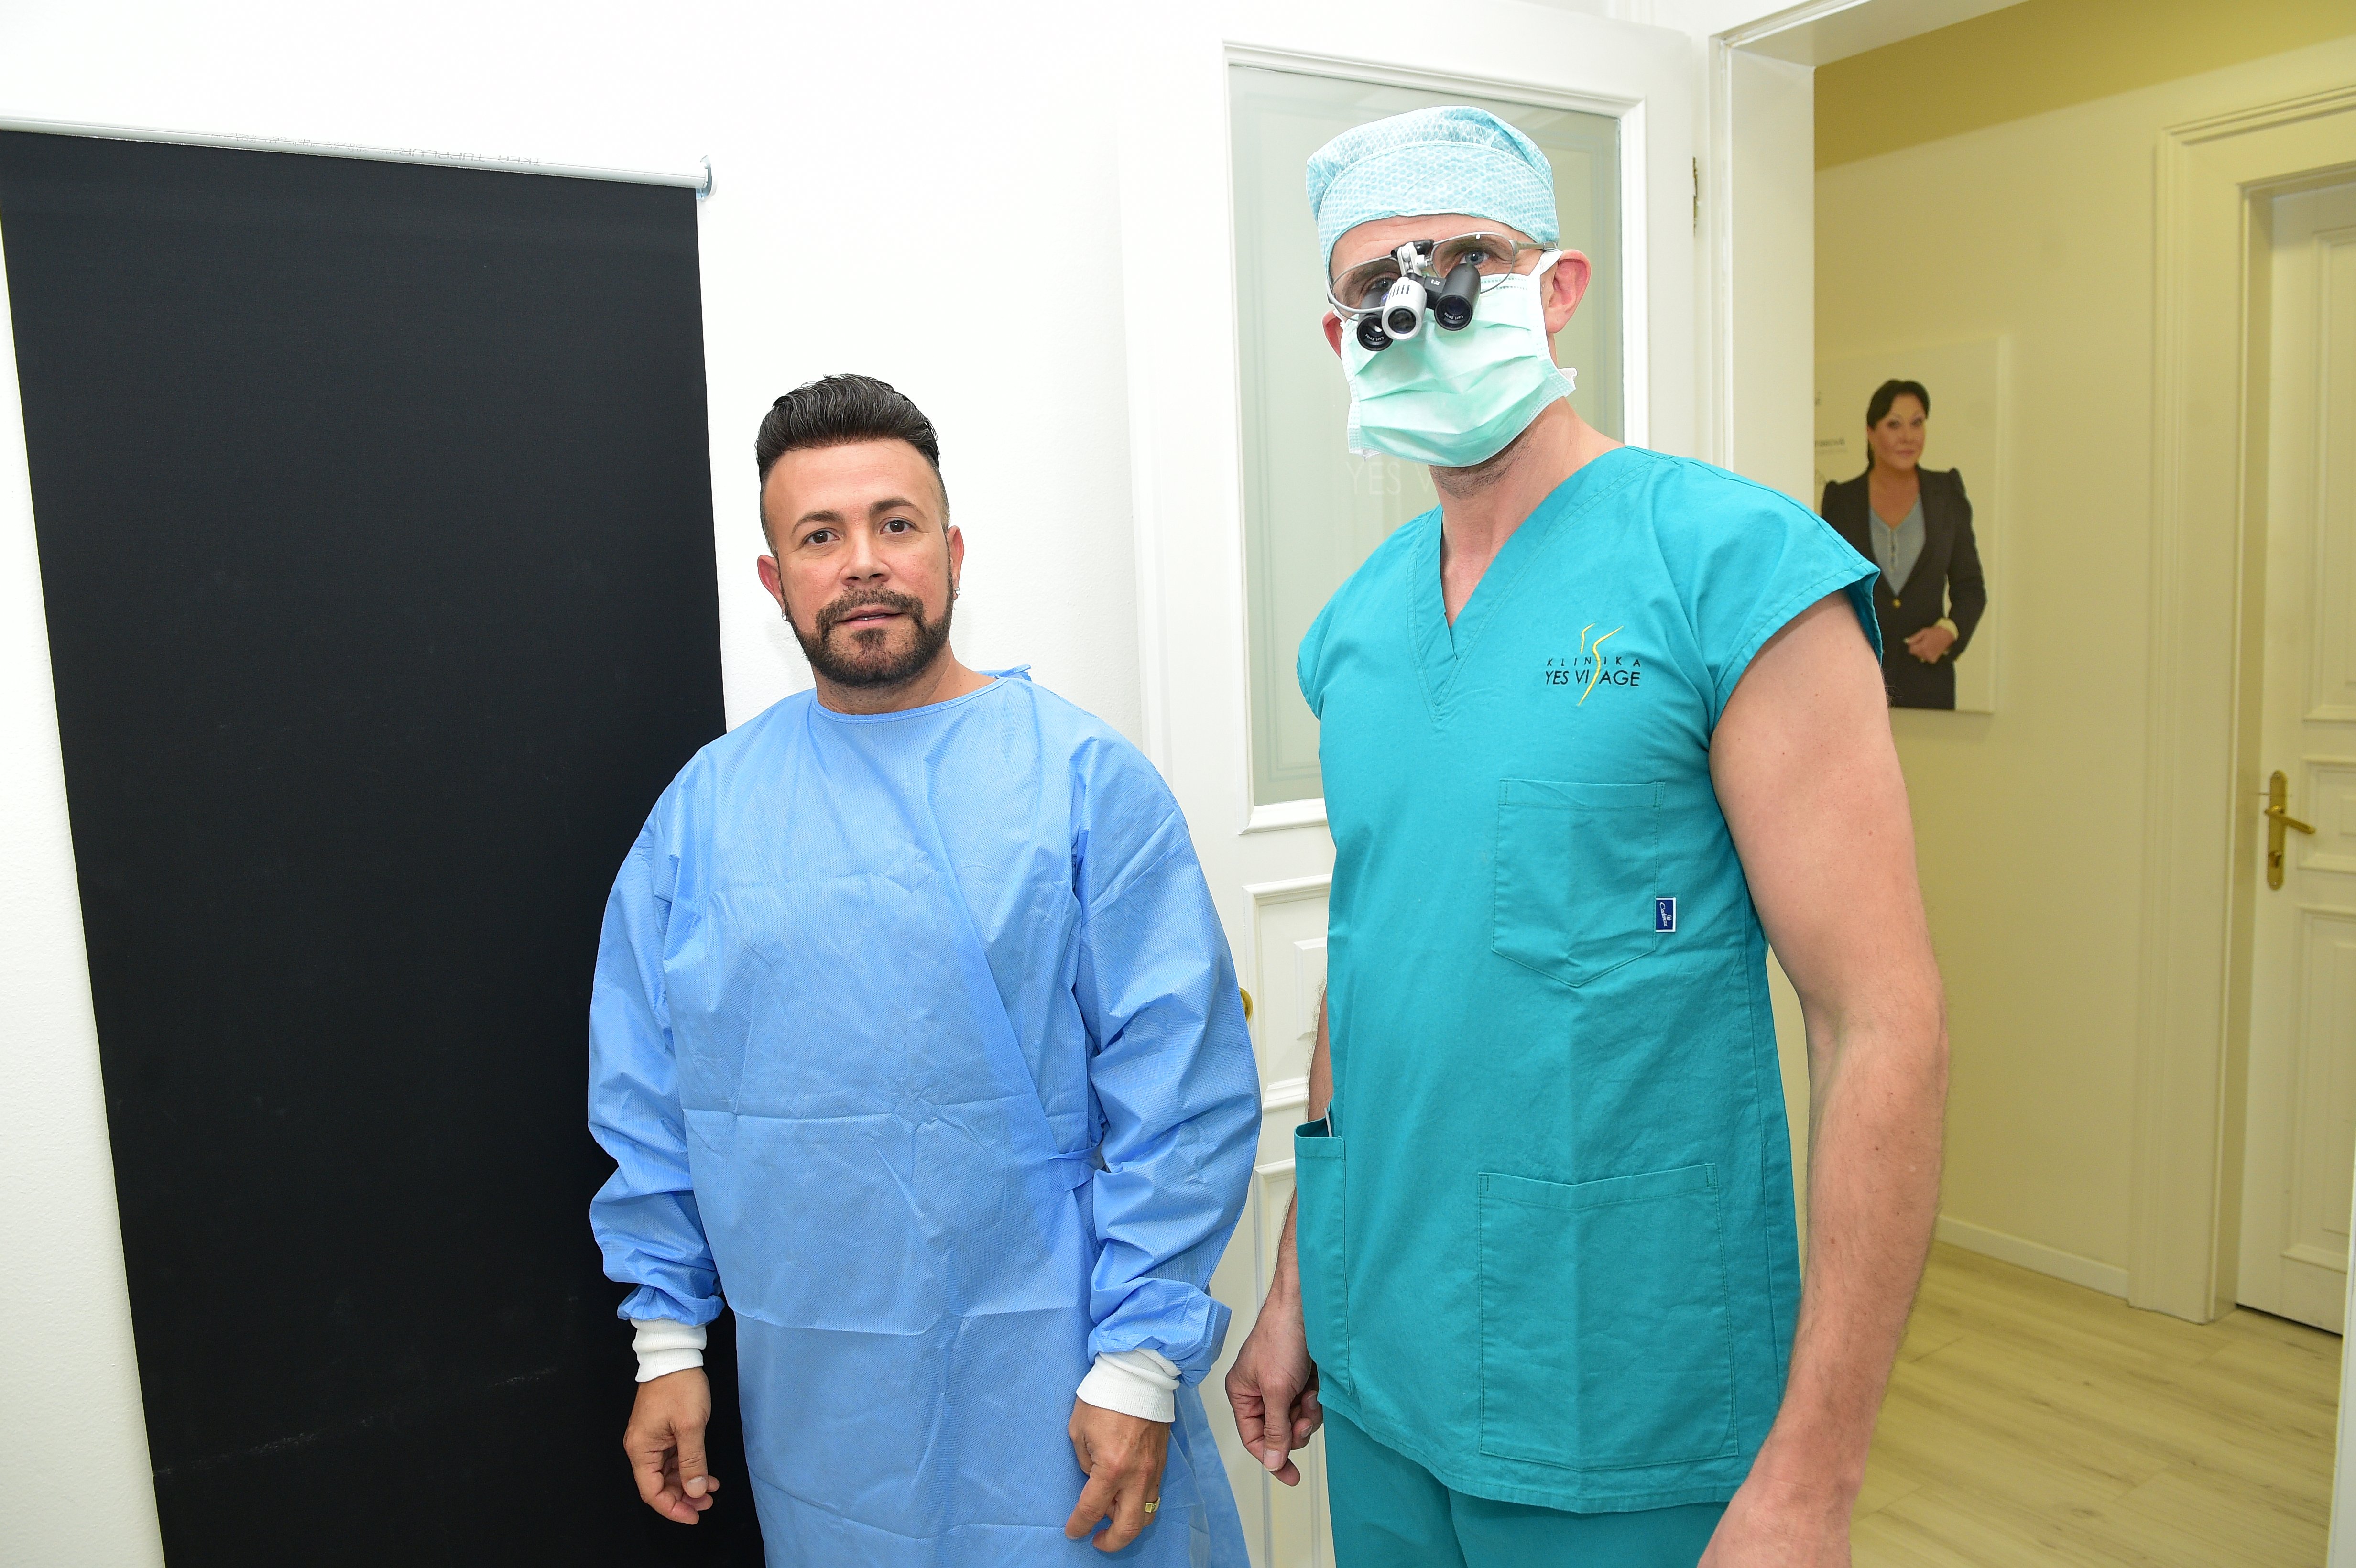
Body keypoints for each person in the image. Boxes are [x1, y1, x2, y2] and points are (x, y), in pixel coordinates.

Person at [1222, 107, 1949, 1567]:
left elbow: (1883, 1026)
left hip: (1630, 1387)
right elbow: (1372, 968)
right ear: (1341, 338)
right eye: (1375, 287)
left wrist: (1816, 1474)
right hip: (1383, 1362)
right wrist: (1302, 1281)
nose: (1416, 307)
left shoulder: (1731, 569)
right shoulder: (1354, 633)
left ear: (1557, 291)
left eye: (1462, 264)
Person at [588, 374, 1259, 1565]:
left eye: (894, 524)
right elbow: (649, 1095)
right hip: (823, 1416)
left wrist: (1140, 1362)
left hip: (1061, 1381)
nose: (862, 562)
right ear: (774, 580)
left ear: (950, 552)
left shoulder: (1082, 782)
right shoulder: (704, 816)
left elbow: (1182, 1089)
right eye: (819, 535)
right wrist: (669, 1341)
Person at [1818, 380, 1986, 710]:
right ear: (1870, 432)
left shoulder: (1946, 494)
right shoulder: (1841, 500)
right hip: (1857, 682)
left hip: (1929, 683)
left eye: (1917, 423)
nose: (1908, 436)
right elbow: (1828, 594)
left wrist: (1950, 632)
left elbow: (1970, 587)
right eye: (1894, 424)